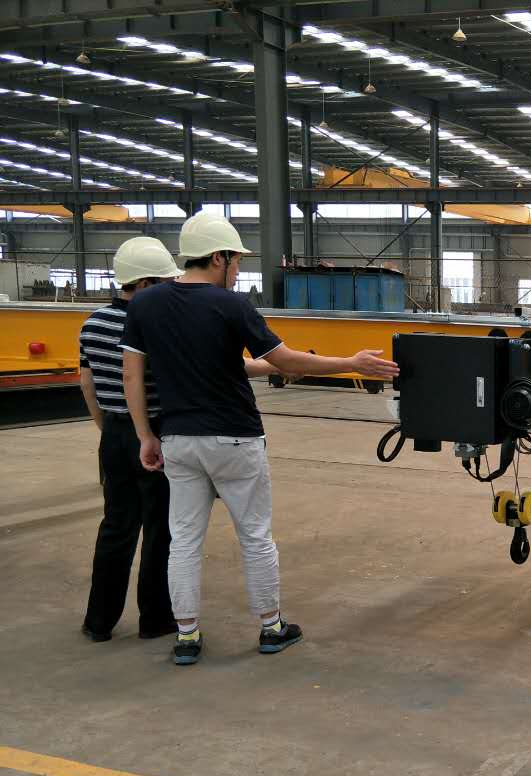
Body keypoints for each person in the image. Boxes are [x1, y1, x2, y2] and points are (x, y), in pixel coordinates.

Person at [120, 210, 398, 666]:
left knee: (183, 540)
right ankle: (271, 627)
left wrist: (144, 436)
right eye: (236, 261)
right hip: (234, 438)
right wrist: (352, 363)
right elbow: (286, 361)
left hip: (178, 439)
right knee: (254, 535)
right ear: (218, 257)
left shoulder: (145, 305)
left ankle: (186, 636)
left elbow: (132, 374)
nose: (238, 270)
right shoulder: (231, 306)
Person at [78, 237, 184, 643]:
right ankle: (155, 619)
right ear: (143, 284)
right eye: (163, 282)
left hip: (114, 434)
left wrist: (108, 430)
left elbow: (87, 384)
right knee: (160, 529)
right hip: (153, 433)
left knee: (116, 526)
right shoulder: (154, 325)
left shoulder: (92, 323)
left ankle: (99, 621)